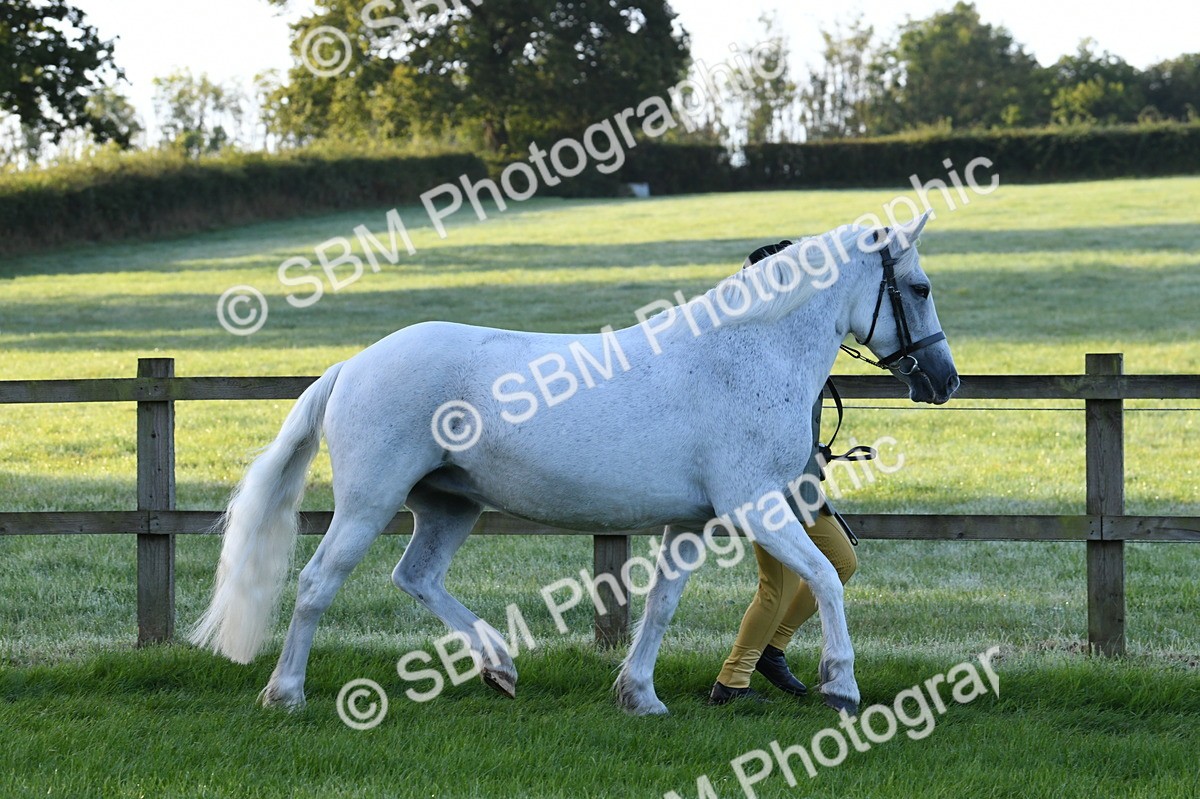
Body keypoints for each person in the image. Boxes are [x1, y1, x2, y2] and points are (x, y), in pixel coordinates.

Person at [709, 241, 860, 705]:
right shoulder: (753, 351)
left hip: (804, 484)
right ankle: (732, 682)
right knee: (780, 585)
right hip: (769, 486)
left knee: (842, 563)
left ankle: (772, 651)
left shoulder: (795, 344)